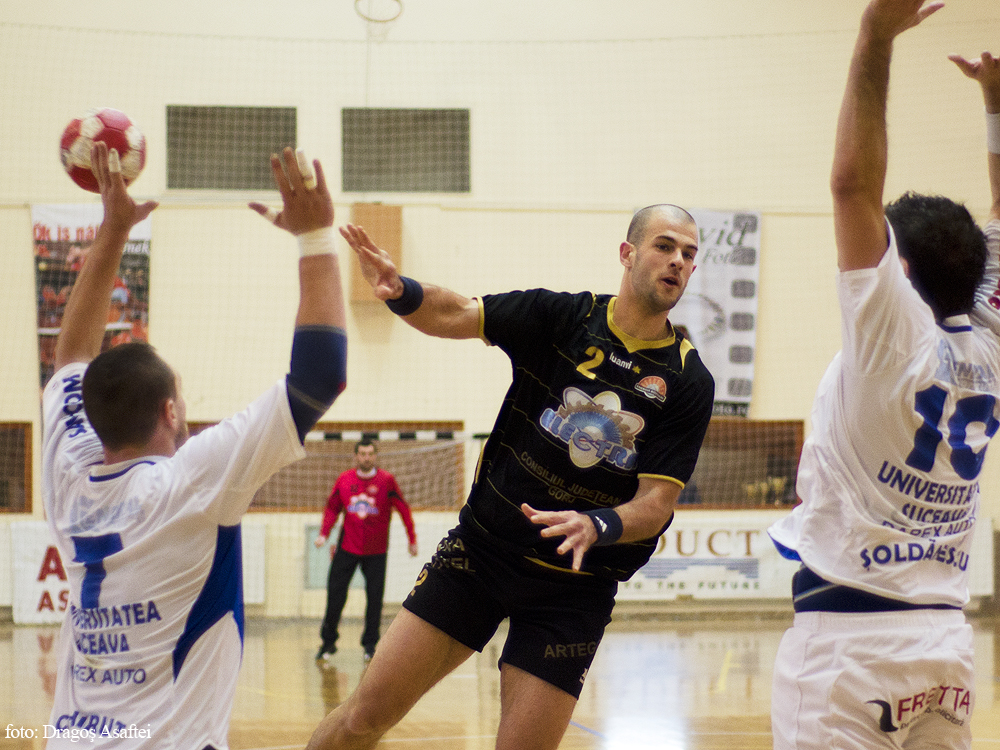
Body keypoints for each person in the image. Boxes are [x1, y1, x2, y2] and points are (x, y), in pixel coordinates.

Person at [306, 204, 715, 750]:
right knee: (363, 717)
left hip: (575, 588)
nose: (678, 261)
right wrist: (401, 291)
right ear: (628, 253)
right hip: (483, 554)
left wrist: (596, 525)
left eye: (689, 254)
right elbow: (457, 312)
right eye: (664, 246)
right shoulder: (561, 318)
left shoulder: (688, 380)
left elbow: (656, 503)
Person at [42, 143, 346, 748]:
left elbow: (70, 353)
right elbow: (319, 378)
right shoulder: (192, 483)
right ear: (170, 412)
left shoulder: (66, 472)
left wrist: (113, 230)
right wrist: (316, 237)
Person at [767, 2, 1000, 748]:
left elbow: (851, 188)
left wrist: (874, 35)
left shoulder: (890, 336)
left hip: (850, 644)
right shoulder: (990, 340)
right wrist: (996, 108)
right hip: (944, 644)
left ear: (898, 268)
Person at [314, 440, 418, 662]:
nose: (366, 458)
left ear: (375, 456)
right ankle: (328, 643)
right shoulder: (344, 479)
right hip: (347, 547)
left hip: (376, 551)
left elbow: (403, 508)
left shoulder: (386, 480)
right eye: (362, 453)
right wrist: (324, 533)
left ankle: (370, 645)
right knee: (335, 595)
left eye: (370, 453)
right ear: (355, 456)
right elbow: (332, 507)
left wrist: (412, 538)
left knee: (374, 599)